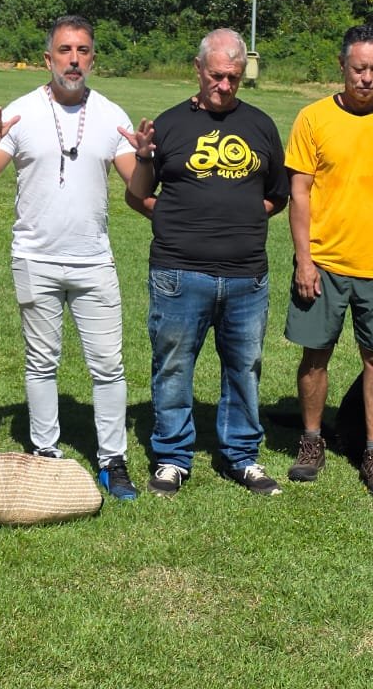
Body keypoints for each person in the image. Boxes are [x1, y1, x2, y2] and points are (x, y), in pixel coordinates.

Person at [0, 14, 140, 501]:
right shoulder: (21, 113)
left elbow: (140, 187)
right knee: (41, 363)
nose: (74, 60)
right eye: (65, 50)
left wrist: (146, 158)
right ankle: (46, 454)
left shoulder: (111, 115)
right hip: (35, 259)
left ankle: (113, 460)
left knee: (108, 366)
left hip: (93, 261)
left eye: (83, 51)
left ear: (93, 59)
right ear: (48, 58)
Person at [121, 29, 289, 497]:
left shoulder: (261, 125)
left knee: (244, 368)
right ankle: (173, 458)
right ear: (197, 70)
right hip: (179, 273)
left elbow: (277, 194)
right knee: (173, 367)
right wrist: (145, 161)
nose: (224, 85)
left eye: (233, 77)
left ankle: (242, 455)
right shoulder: (170, 124)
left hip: (246, 277)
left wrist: (240, 219)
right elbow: (138, 195)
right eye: (216, 75)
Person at [283, 22, 373, 500]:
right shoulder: (312, 118)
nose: (367, 78)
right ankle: (311, 441)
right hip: (323, 263)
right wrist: (304, 260)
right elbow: (299, 193)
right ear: (342, 65)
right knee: (315, 356)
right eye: (359, 68)